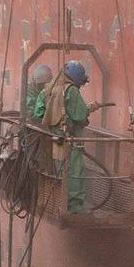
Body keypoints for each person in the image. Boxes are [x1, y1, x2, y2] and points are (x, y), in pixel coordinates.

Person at [41, 60, 98, 213]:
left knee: (60, 169)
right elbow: (79, 115)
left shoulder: (52, 87)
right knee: (75, 171)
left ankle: (60, 200)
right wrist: (89, 108)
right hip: (70, 140)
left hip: (56, 137)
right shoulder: (71, 90)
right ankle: (75, 207)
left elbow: (41, 111)